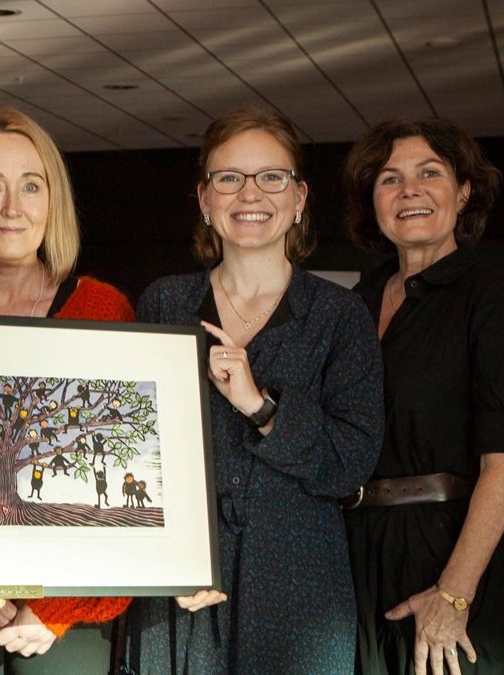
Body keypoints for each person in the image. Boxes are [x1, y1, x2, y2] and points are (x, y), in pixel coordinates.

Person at [121, 105, 384, 674]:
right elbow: (133, 457)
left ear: (299, 198)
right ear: (205, 200)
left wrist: (260, 407)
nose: (250, 194)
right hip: (184, 593)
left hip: (298, 590)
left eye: (271, 177)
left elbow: (350, 463)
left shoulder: (340, 316)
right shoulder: (164, 305)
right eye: (229, 178)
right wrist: (170, 562)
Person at [0, 108, 134, 675]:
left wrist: (55, 608)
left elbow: (127, 482)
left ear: (52, 201)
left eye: (30, 186)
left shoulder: (103, 312)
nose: (12, 207)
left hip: (65, 620)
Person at [342, 118, 504, 675]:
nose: (409, 189)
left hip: (448, 559)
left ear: (463, 193)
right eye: (390, 179)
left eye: (429, 173)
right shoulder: (352, 307)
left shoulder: (496, 304)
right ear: (374, 201)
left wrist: (454, 594)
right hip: (353, 556)